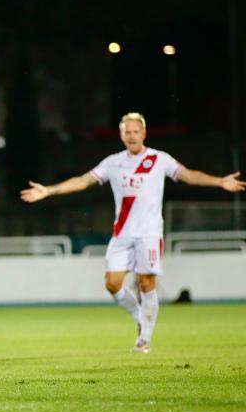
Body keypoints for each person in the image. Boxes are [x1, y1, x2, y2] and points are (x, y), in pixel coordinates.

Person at [21, 112, 245, 353]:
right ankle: (140, 317)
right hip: (122, 234)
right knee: (112, 283)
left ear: (144, 134)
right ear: (121, 135)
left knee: (146, 282)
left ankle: (144, 339)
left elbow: (190, 176)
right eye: (127, 131)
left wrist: (220, 182)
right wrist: (49, 190)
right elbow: (83, 180)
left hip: (149, 233)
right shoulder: (113, 162)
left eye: (136, 131)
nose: (132, 135)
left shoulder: (159, 159)